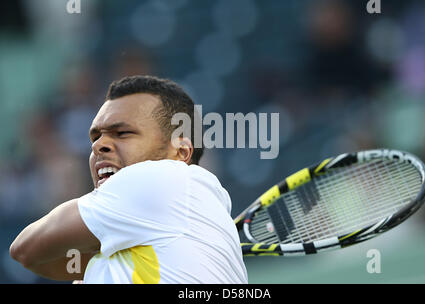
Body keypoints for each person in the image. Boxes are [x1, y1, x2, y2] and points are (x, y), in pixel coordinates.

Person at [9, 75, 248, 284]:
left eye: (122, 133)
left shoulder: (162, 179)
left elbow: (26, 248)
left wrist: (95, 261)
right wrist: (99, 267)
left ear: (181, 152)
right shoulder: (192, 212)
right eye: (95, 136)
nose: (98, 145)